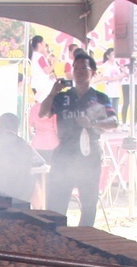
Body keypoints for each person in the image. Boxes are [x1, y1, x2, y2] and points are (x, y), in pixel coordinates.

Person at [41, 51, 117, 226]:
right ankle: (56, 241)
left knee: (89, 204)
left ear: (93, 72)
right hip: (64, 154)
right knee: (56, 204)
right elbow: (43, 112)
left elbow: (113, 122)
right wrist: (53, 92)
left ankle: (84, 241)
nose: (80, 71)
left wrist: (93, 123)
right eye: (76, 67)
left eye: (85, 67)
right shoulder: (63, 97)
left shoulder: (100, 98)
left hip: (89, 156)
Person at [29, 36, 56, 104]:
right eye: (43, 43)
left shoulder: (35, 55)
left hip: (38, 84)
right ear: (39, 44)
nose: (45, 45)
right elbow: (47, 71)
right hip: (42, 86)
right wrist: (54, 62)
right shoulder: (40, 57)